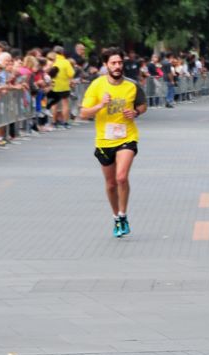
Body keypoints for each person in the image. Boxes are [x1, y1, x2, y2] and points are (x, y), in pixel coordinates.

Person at [79, 48, 147, 238]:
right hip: (104, 140)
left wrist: (135, 112)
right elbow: (83, 113)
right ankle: (116, 217)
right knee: (110, 184)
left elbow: (143, 105)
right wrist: (100, 105)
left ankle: (123, 215)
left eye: (120, 63)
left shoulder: (132, 85)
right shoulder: (96, 85)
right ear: (106, 65)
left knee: (121, 177)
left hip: (127, 137)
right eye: (113, 63)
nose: (117, 66)